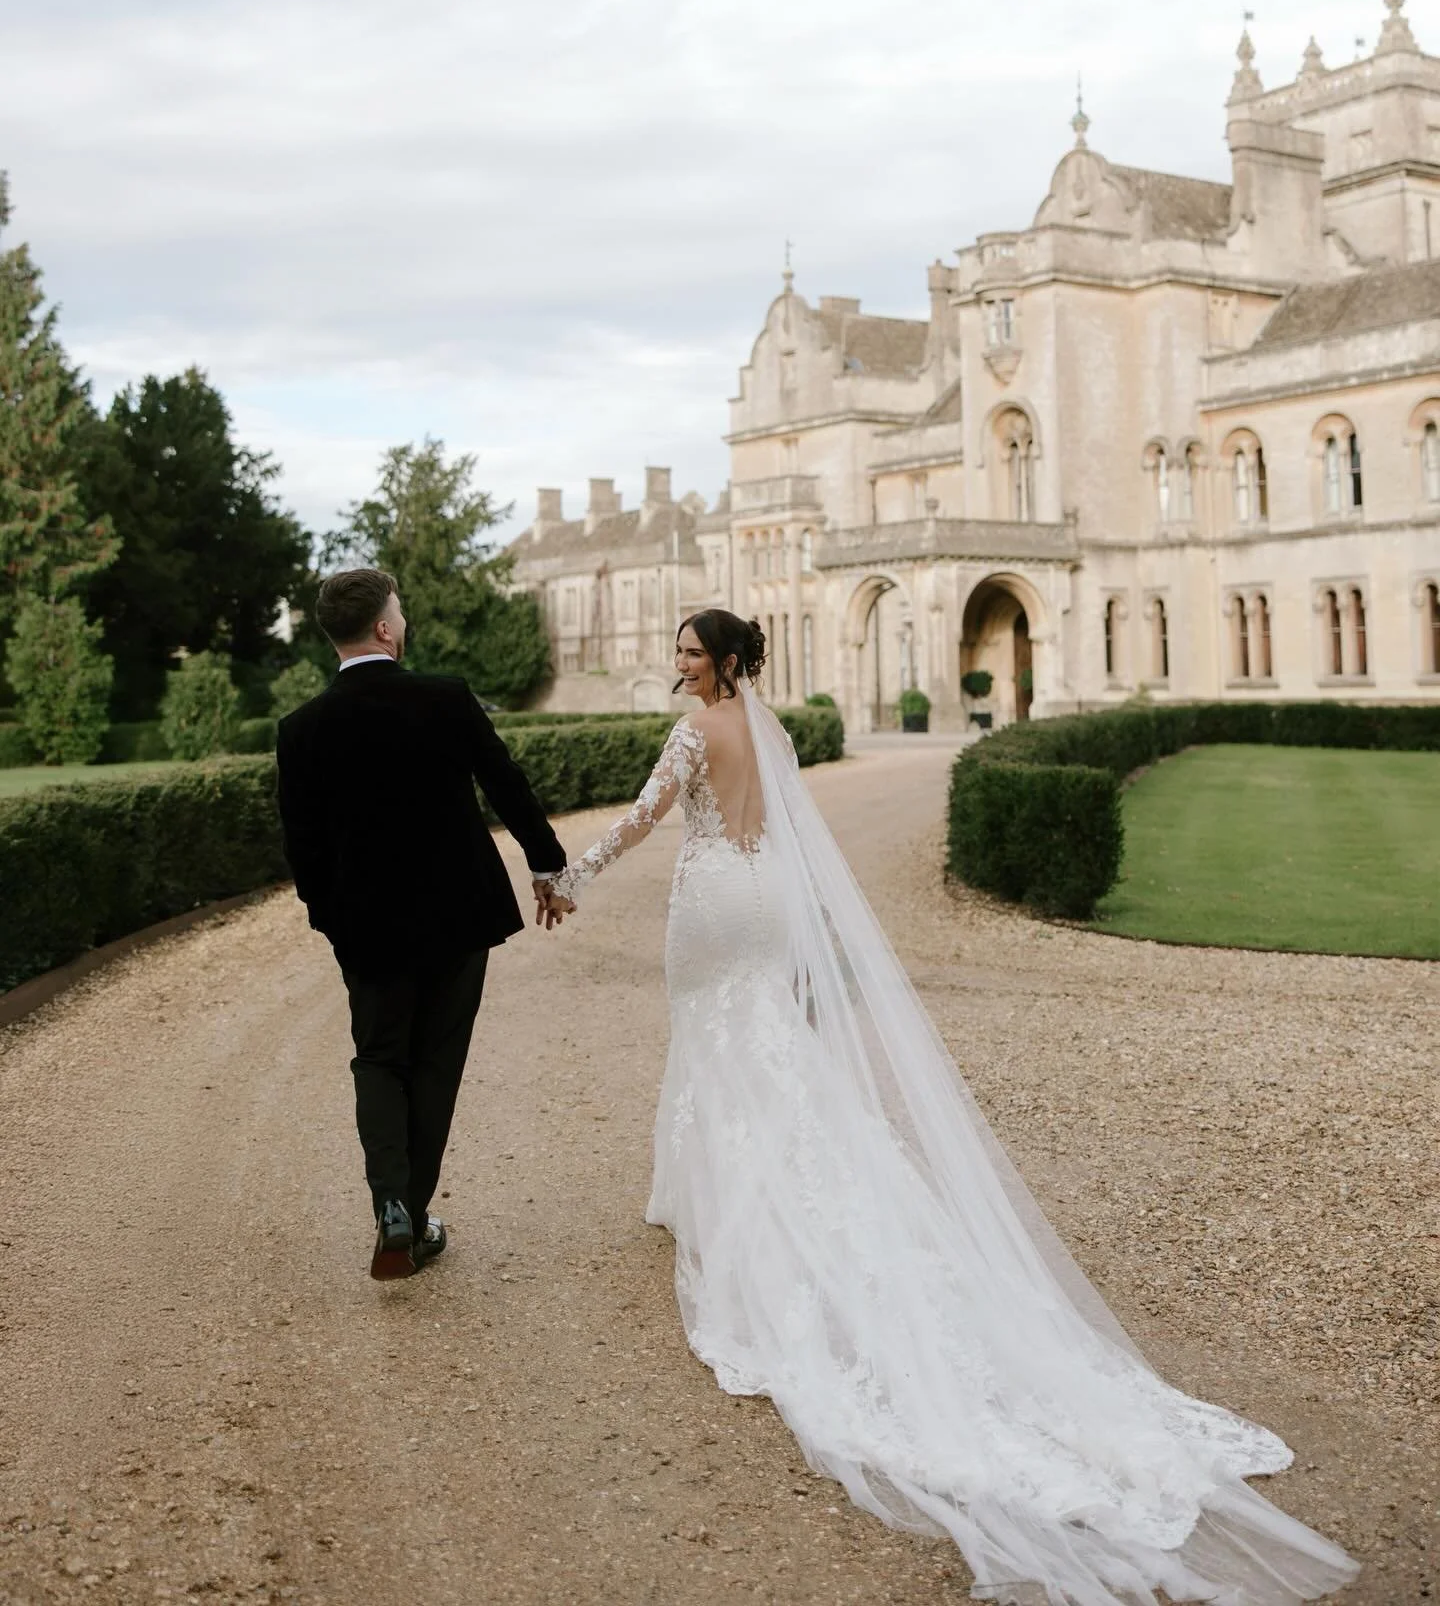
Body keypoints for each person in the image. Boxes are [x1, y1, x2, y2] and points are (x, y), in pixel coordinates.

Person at [547, 608, 1359, 1606]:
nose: (677, 663)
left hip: (712, 902)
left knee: (716, 1047)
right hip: (765, 902)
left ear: (719, 661)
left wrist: (572, 875)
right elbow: (796, 839)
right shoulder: (774, 730)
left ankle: (718, 1204)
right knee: (760, 1048)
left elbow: (642, 816)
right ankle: (711, 1191)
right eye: (673, 648)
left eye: (688, 651)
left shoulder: (690, 733)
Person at [276, 567, 572, 1281]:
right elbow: (507, 783)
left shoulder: (301, 728)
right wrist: (547, 865)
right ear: (383, 626)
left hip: (366, 929)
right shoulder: (445, 698)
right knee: (435, 1064)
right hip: (457, 914)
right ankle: (409, 1207)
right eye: (398, 611)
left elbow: (302, 845)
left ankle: (391, 1208)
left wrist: (330, 920)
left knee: (379, 1059)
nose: (402, 620)